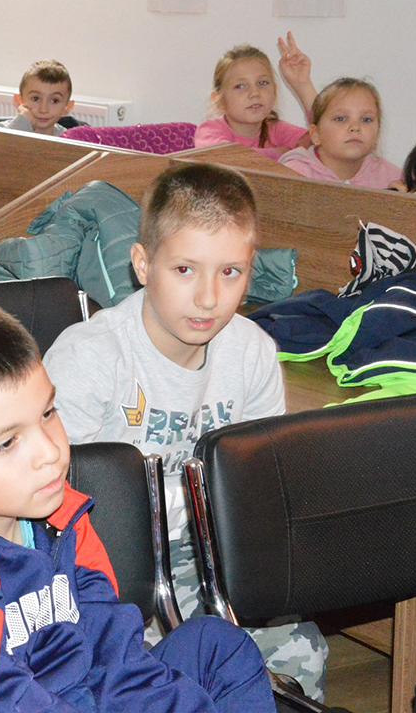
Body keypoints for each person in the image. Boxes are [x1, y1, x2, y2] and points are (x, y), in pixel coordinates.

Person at [0, 295, 275, 712]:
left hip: (63, 692)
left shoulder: (60, 513)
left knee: (217, 646)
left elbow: (114, 658)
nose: (50, 452)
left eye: (47, 413)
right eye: (7, 443)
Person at [43, 163, 329, 700]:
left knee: (301, 653)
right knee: (149, 681)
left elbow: (257, 489)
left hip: (207, 554)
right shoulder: (91, 357)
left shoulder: (251, 351)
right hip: (106, 564)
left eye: (230, 272)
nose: (208, 298)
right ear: (142, 264)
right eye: (184, 270)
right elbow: (46, 503)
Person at [194, 37, 313, 158]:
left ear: (274, 92)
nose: (255, 93)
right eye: (240, 86)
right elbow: (230, 158)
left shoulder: (277, 129)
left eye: (262, 83)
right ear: (218, 100)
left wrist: (303, 85)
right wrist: (279, 153)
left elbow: (321, 142)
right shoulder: (210, 130)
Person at [279, 78, 402, 189]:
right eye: (340, 119)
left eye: (366, 120)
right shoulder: (293, 176)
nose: (355, 127)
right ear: (315, 134)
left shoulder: (392, 179)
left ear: (377, 135)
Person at [0, 59, 75, 136]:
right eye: (35, 99)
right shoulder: (0, 131)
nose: (43, 110)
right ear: (20, 100)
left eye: (55, 101)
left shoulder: (67, 138)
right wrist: (22, 123)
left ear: (67, 106)